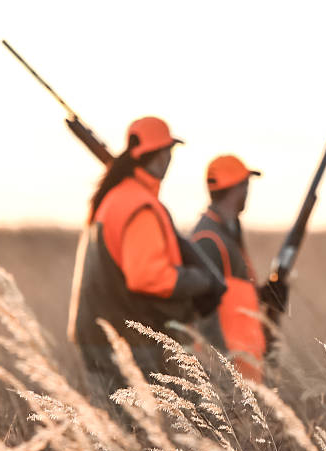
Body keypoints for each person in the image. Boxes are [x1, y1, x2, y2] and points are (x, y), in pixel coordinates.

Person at [67, 117, 223, 403]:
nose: (169, 158)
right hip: (128, 338)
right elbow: (147, 276)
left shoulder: (114, 197)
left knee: (117, 435)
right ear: (158, 154)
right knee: (144, 438)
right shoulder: (139, 206)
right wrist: (199, 281)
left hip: (100, 333)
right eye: (167, 151)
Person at [192, 155, 286, 382]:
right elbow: (202, 310)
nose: (248, 192)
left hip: (243, 366)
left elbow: (231, 296)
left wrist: (265, 295)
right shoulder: (209, 238)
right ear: (238, 188)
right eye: (246, 185)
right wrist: (220, 368)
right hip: (226, 370)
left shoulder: (227, 231)